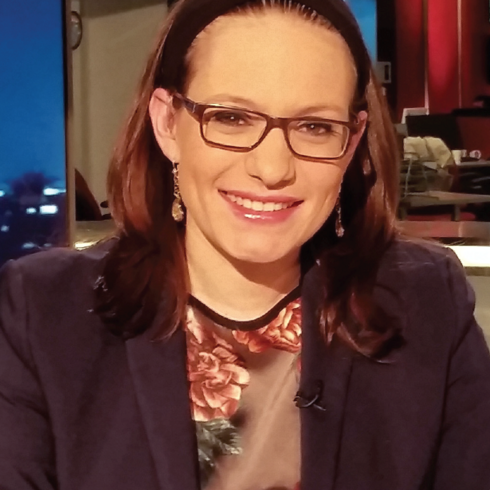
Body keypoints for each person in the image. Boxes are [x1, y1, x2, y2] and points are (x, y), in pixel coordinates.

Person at [1, 0, 490, 489]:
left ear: (353, 140)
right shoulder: (43, 315)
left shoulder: (426, 303)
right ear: (167, 123)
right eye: (232, 118)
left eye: (315, 127)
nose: (272, 169)